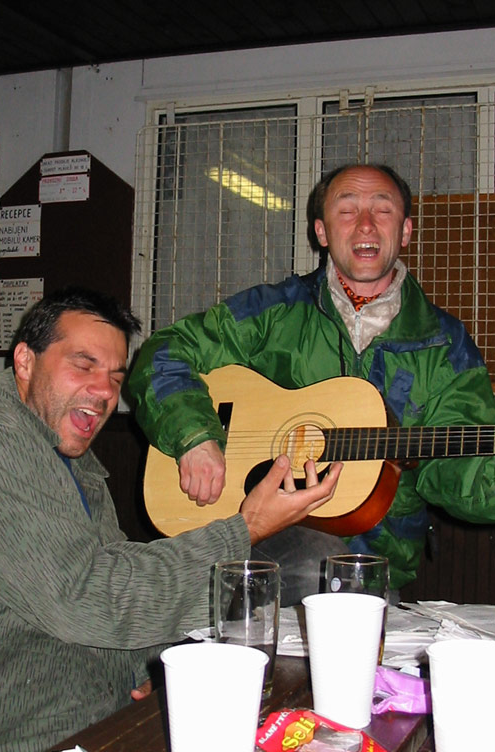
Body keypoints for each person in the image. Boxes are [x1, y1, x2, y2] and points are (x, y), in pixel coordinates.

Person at [0, 288, 342, 751]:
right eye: (83, 366)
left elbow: (112, 571)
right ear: (25, 361)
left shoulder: (59, 447)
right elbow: (87, 595)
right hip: (12, 732)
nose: (105, 392)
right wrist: (245, 528)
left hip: (90, 709)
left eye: (115, 376)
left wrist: (150, 666)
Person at [128, 163, 495, 602]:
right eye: (347, 211)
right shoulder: (275, 312)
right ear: (321, 231)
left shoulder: (446, 345)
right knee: (315, 568)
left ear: (405, 231)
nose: (365, 224)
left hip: (373, 563)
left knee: (336, 577)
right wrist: (194, 437)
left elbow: (462, 472)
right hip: (258, 536)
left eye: (382, 210)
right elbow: (165, 353)